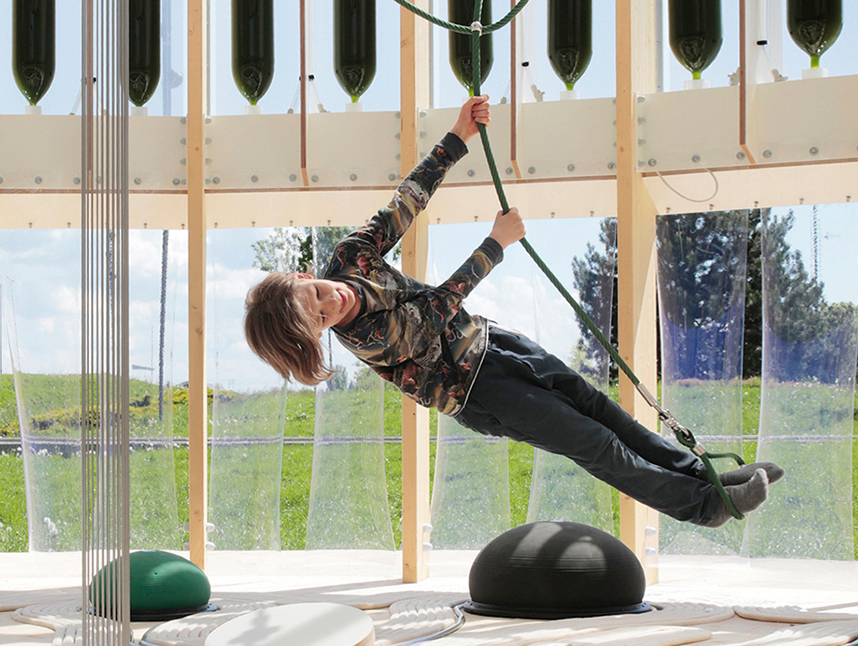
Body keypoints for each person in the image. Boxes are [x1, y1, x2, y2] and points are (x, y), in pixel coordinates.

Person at [244, 96, 784, 528]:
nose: (331, 303)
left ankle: (708, 478)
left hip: (493, 342)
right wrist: (495, 244)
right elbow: (435, 311)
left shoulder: (349, 257)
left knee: (601, 409)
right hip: (479, 390)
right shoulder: (367, 338)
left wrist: (458, 137)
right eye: (320, 319)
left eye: (316, 294)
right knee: (593, 442)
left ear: (304, 277)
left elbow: (406, 202)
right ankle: (704, 507)